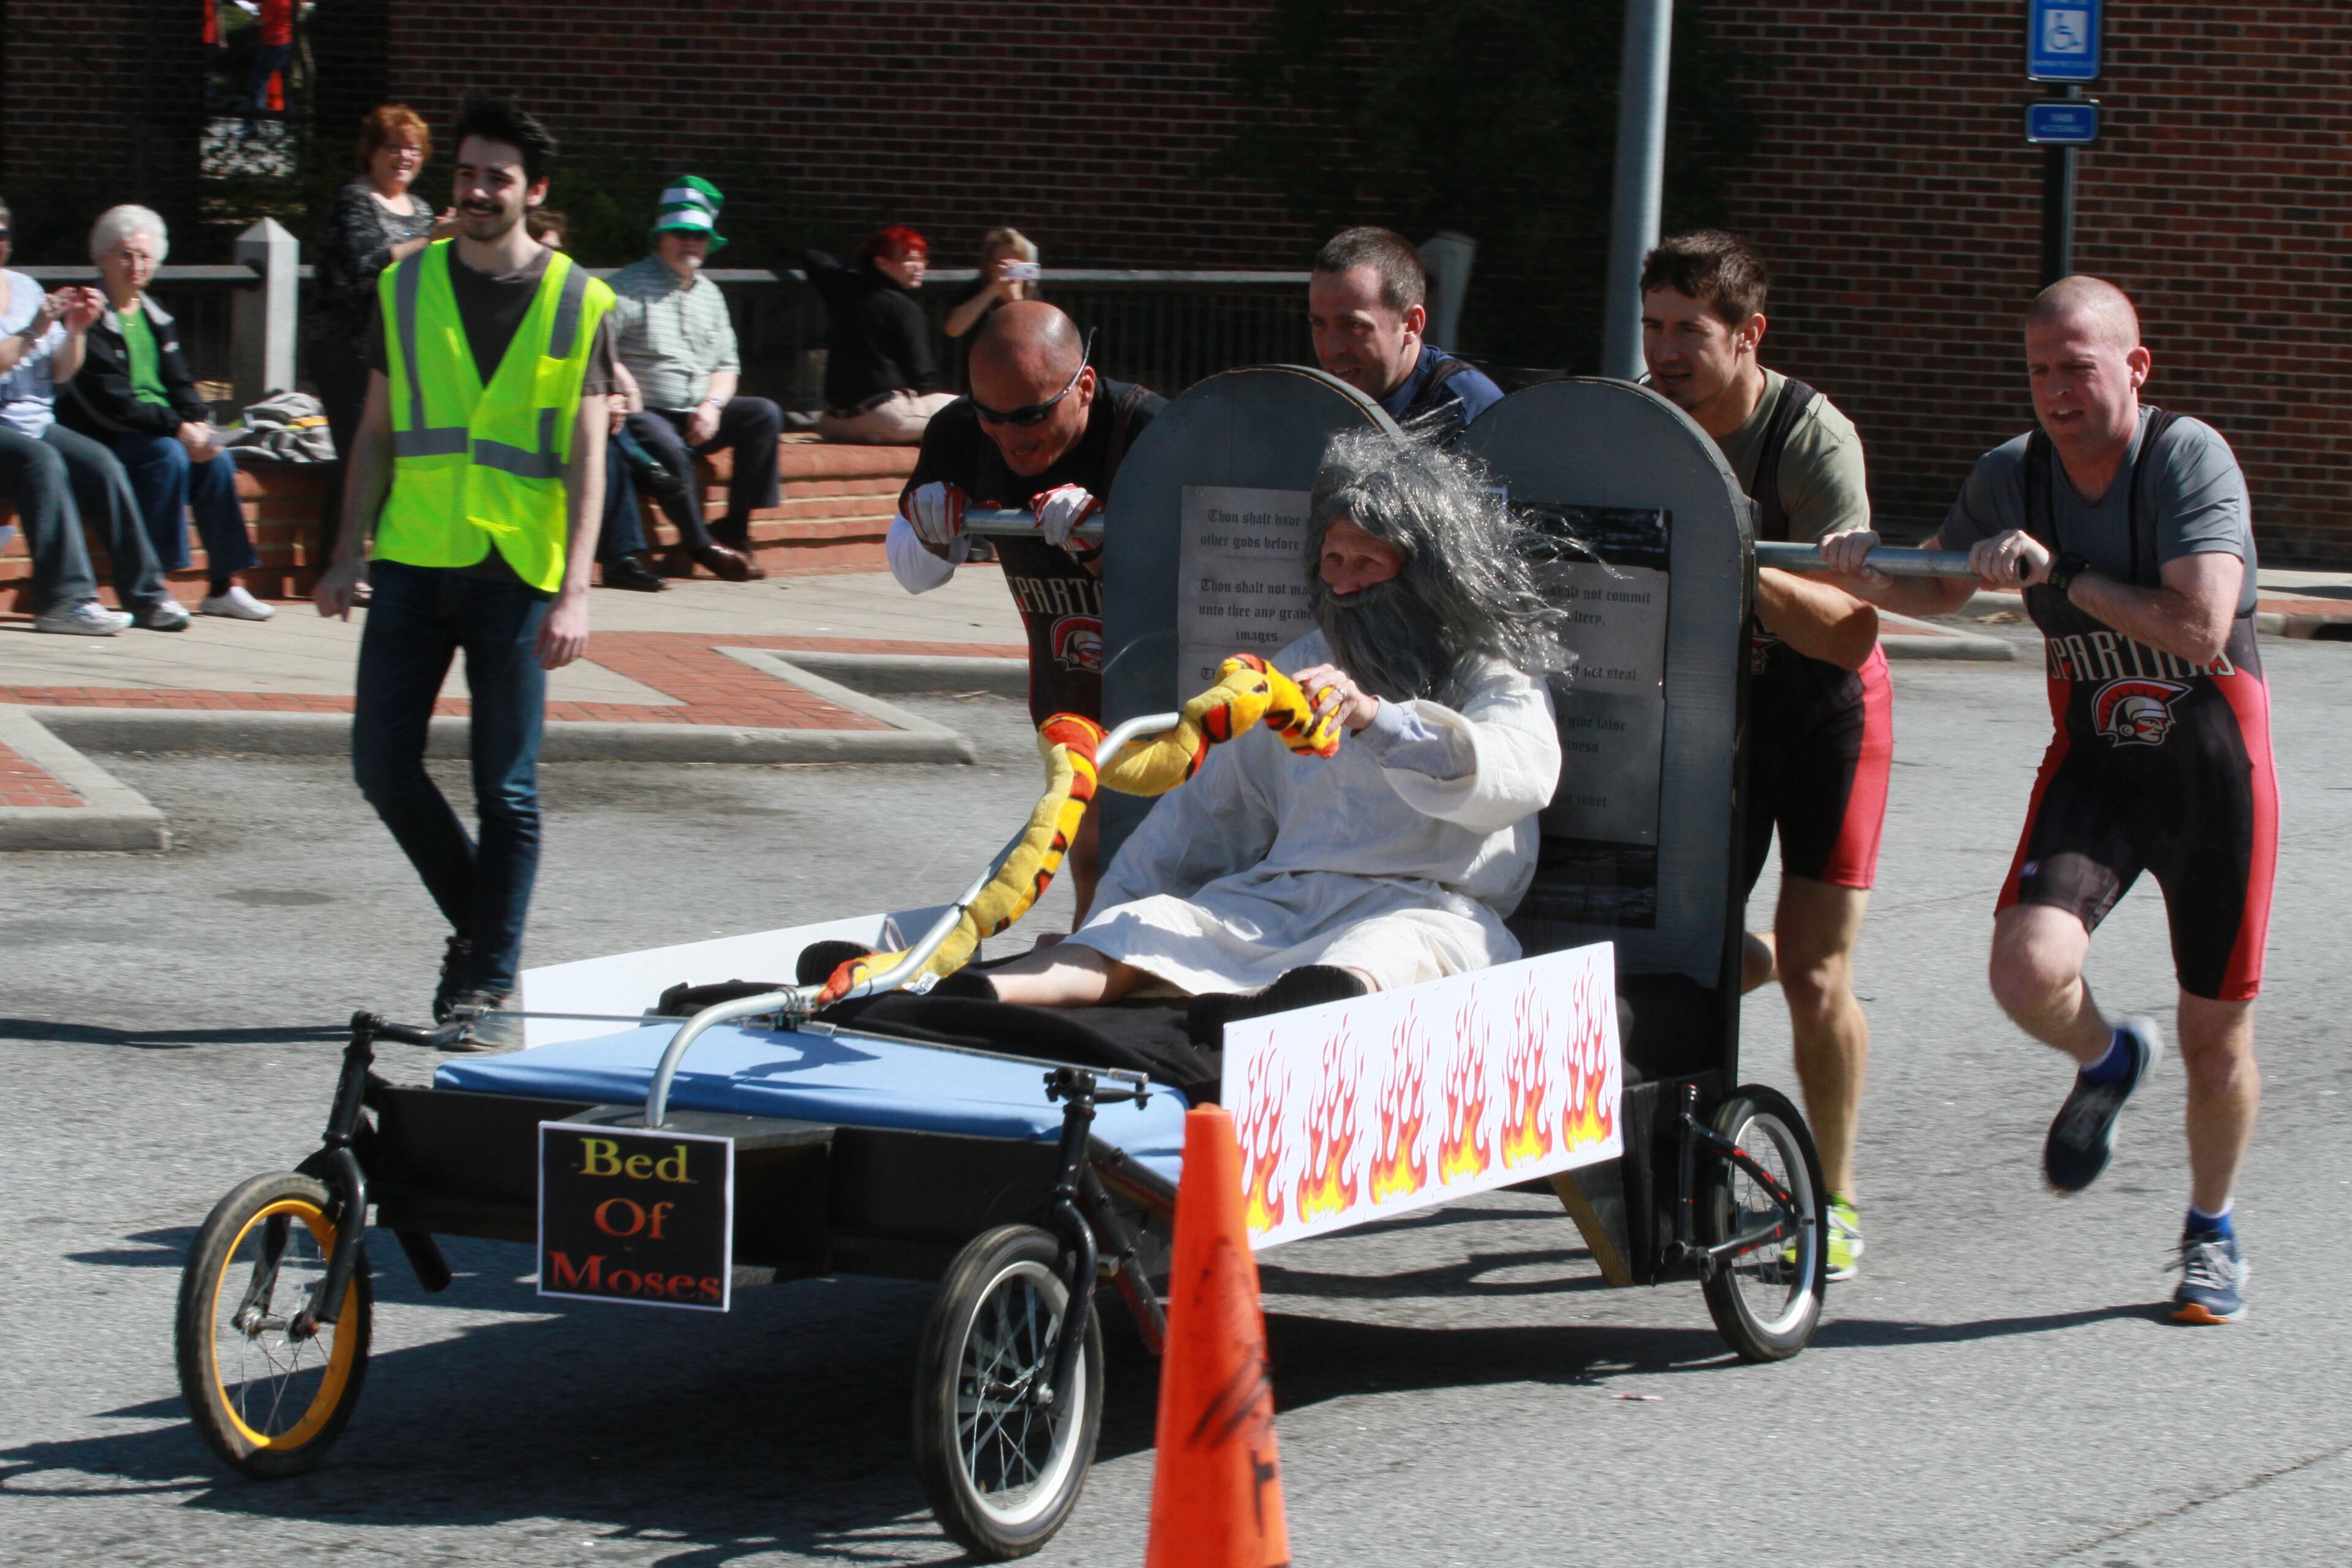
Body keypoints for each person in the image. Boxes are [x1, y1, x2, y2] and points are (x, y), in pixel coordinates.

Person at [1822, 277, 2272, 1324]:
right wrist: (1870, 571)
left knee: (2217, 1038)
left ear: (2135, 367)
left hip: (2216, 780)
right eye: (2040, 370)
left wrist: (2060, 572)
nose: (2058, 391)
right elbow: (1941, 582)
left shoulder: (2187, 459)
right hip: (2099, 768)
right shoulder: (2014, 473)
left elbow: (2202, 627)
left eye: (2079, 366)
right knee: (2025, 971)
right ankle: (2109, 1057)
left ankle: (2211, 1231)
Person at [981, 428, 1565, 1019]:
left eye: (1367, 563)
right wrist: (1107, 917)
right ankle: (991, 996)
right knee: (1148, 927)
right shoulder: (1300, 665)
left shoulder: (1491, 671)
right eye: (1333, 560)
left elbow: (1518, 774)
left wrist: (1376, 720)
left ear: (1422, 576)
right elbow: (1202, 815)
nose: (1342, 584)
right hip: (1285, 900)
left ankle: (1286, 1022)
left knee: (1382, 955)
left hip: (1427, 908)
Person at [314, 96, 616, 1047]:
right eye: (468, 173)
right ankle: (483, 935)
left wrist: (576, 587)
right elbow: (375, 429)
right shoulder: (404, 288)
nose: (479, 191)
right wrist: (342, 552)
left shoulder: (581, 300)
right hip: (412, 558)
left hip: (519, 573)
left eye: (498, 177)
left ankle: (486, 986)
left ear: (534, 191)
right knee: (381, 767)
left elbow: (586, 456)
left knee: (509, 792)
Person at [1640, 231, 1885, 1281]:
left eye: (1689, 332)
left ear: (1749, 335)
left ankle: (1831, 1198)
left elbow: (1847, 630)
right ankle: (1670, 1158)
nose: (1666, 353)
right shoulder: (1646, 426)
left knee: (1817, 974)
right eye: (1652, 329)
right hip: (1714, 711)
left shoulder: (1810, 438)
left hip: (1825, 713)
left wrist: (1729, 543)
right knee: (1675, 949)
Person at [892, 301, 1166, 918]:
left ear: (1084, 386)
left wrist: (1107, 546)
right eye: (993, 415)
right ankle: (1087, 972)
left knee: (1162, 859)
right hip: (1072, 695)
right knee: (1091, 854)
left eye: (1033, 414)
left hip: (1167, 694)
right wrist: (931, 532)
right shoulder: (963, 433)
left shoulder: (1148, 433)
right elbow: (914, 573)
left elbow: (1207, 582)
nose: (1013, 435)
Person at [61, 206, 272, 620]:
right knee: (168, 455)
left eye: (144, 256)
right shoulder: (91, 314)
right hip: (109, 435)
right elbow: (112, 401)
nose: (136, 266)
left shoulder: (155, 315)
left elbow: (180, 383)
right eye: (125, 255)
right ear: (102, 257)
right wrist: (179, 430)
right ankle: (152, 587)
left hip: (157, 429)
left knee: (217, 459)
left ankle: (223, 585)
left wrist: (197, 425)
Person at [0, 200, 182, 635]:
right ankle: (66, 600)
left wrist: (77, 329)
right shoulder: (32, 309)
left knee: (100, 463)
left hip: (36, 422)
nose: (0, 242)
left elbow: (60, 371)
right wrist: (33, 331)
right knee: (40, 462)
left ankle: (147, 595)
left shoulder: (25, 288)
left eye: (3, 232)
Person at [603, 176, 772, 581]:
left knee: (763, 415)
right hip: (647, 412)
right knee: (670, 448)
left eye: (699, 235)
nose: (691, 242)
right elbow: (597, 347)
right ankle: (701, 545)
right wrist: (625, 383)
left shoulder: (711, 295)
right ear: (660, 237)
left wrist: (712, 406)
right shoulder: (626, 287)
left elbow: (727, 366)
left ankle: (736, 531)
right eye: (681, 233)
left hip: (698, 410)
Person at [309, 104, 453, 571]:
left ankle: (385, 557)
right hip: (345, 347)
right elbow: (362, 270)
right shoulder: (356, 201)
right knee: (358, 451)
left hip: (399, 350)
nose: (403, 157)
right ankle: (337, 562)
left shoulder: (424, 210)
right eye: (393, 147)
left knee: (398, 452)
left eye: (413, 149)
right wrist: (431, 240)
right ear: (371, 153)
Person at [1308, 226, 1501, 439]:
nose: (1331, 348)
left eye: (1354, 325)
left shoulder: (1465, 408)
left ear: (1411, 324)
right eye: (1319, 323)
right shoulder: (1309, 406)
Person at [801, 225, 953, 443]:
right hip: (884, 418)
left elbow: (812, 257)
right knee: (973, 412)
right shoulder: (906, 309)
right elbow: (923, 377)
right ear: (881, 262)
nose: (919, 267)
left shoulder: (841, 286)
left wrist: (853, 270)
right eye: (910, 260)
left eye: (923, 260)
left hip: (832, 424)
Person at [943, 226, 1042, 341]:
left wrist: (1016, 300)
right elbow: (953, 330)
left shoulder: (1033, 295)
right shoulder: (974, 291)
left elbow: (1036, 337)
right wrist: (993, 290)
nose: (1009, 270)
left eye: (1016, 265)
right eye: (1003, 264)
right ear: (989, 265)